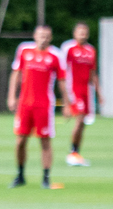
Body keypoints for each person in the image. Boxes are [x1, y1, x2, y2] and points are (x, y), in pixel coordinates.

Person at [6, 25, 65, 189]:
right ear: (35, 36)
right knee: (20, 141)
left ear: (50, 38)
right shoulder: (24, 50)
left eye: (46, 36)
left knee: (44, 141)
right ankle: (20, 175)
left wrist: (67, 103)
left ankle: (46, 178)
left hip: (44, 105)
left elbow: (61, 80)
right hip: (25, 104)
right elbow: (16, 73)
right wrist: (11, 96)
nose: (43, 39)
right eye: (40, 35)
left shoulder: (56, 55)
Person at [58, 22, 102, 166]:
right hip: (73, 89)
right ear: (74, 33)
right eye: (80, 32)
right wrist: (65, 99)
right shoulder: (68, 48)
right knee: (80, 118)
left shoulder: (90, 50)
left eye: (85, 32)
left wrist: (99, 93)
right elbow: (61, 69)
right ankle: (72, 153)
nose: (82, 35)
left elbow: (93, 73)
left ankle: (76, 153)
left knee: (83, 122)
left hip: (86, 91)